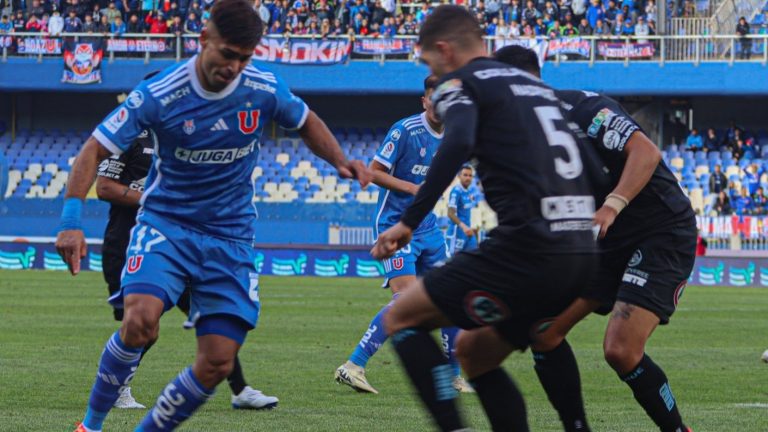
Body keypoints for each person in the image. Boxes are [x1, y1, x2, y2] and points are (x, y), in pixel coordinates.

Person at [56, 1, 371, 430]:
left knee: (218, 362)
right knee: (140, 320)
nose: (235, 66)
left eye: (245, 57)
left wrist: (339, 160)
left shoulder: (262, 86)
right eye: (227, 54)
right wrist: (71, 221)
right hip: (167, 224)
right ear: (204, 40)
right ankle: (89, 426)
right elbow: (95, 148)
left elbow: (306, 119)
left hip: (230, 236)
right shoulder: (160, 92)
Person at [371, 6, 603, 431]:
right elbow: (593, 167)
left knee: (400, 317)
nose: (432, 72)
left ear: (443, 50)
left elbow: (457, 140)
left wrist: (408, 221)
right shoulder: (537, 89)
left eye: (428, 63)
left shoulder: (461, 83)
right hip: (579, 252)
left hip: (528, 248)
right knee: (475, 357)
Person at [495, 45, 697, 432]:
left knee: (620, 351)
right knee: (544, 331)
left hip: (660, 230)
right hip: (601, 241)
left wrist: (612, 204)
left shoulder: (584, 109)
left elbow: (646, 152)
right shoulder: (520, 140)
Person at [96, 85, 280, 412]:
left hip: (177, 246)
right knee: (143, 328)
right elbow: (105, 187)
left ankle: (240, 389)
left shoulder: (183, 136)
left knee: (210, 316)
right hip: (129, 242)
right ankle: (117, 389)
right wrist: (159, 200)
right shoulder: (127, 139)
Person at [335, 76, 472, 395]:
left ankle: (453, 375)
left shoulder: (455, 134)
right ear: (424, 101)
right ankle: (353, 365)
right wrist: (413, 189)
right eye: (432, 98)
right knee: (406, 299)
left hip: (429, 227)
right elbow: (373, 172)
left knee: (450, 296)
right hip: (395, 225)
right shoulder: (405, 130)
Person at [446, 164, 478, 254]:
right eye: (465, 175)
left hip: (468, 231)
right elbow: (450, 213)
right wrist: (464, 227)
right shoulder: (456, 191)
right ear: (459, 176)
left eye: (470, 175)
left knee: (474, 255)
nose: (468, 178)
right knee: (454, 261)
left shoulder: (468, 191)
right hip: (457, 232)